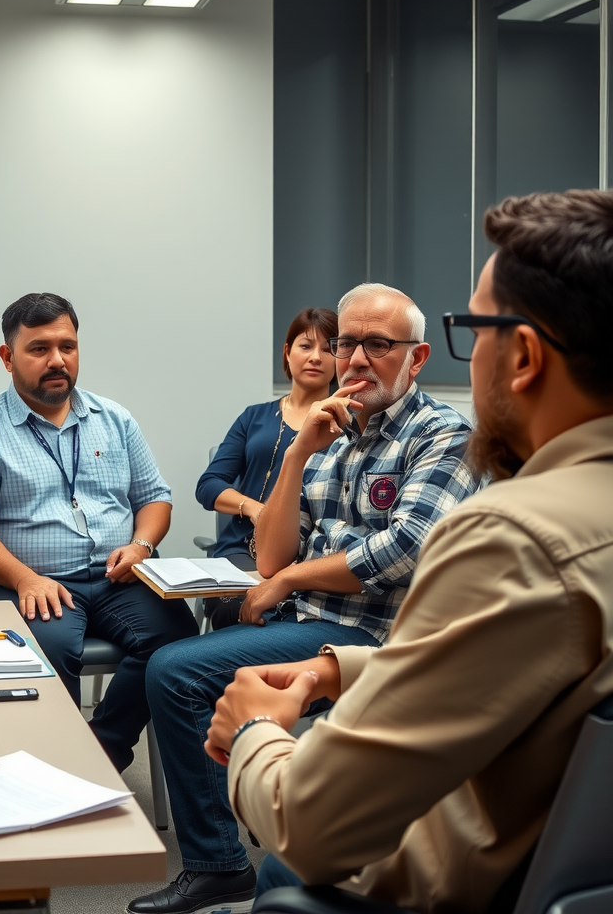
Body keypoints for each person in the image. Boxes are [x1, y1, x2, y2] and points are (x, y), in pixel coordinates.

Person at [207, 189, 613, 914]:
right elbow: (529, 661)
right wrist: (339, 670)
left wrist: (254, 732)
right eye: (345, 343)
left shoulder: (511, 537)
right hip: (571, 876)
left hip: (459, 884)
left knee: (281, 875)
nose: (354, 359)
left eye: (473, 330)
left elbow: (312, 825)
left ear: (520, 354)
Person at [130, 283, 479, 914]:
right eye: (349, 343)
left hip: (376, 636)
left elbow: (405, 551)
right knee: (181, 666)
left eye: (379, 344)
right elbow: (270, 555)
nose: (355, 359)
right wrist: (296, 454)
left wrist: (292, 580)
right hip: (314, 621)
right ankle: (225, 856)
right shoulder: (332, 430)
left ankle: (216, 864)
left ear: (418, 358)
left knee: (175, 670)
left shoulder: (444, 436)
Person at [0, 292, 198, 772]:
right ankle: (44, 770)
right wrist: (23, 579)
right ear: (7, 357)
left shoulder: (114, 419)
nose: (57, 360)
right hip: (30, 581)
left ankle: (100, 751)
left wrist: (142, 545)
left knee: (179, 642)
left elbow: (155, 498)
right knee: (44, 654)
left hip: (117, 574)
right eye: (39, 348)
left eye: (67, 346)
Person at [195, 307, 337, 628]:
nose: (316, 357)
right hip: (244, 549)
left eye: (328, 349)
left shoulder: (345, 424)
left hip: (312, 556)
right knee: (239, 605)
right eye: (305, 346)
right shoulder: (254, 417)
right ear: (287, 353)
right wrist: (256, 509)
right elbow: (208, 486)